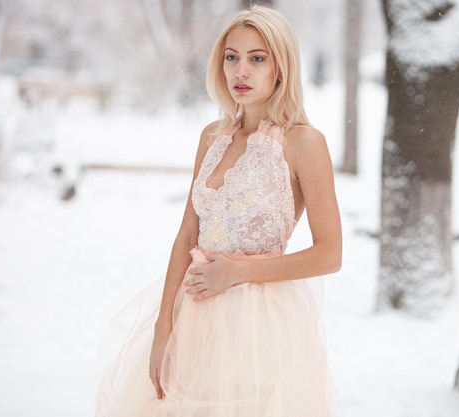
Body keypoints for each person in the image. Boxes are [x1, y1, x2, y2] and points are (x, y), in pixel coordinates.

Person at [96, 5, 343, 417]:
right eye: (232, 57)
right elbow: (187, 236)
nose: (240, 71)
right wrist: (164, 329)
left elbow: (330, 254)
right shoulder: (212, 136)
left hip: (258, 322)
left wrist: (237, 272)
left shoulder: (304, 142)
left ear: (281, 66)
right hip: (194, 314)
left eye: (257, 58)